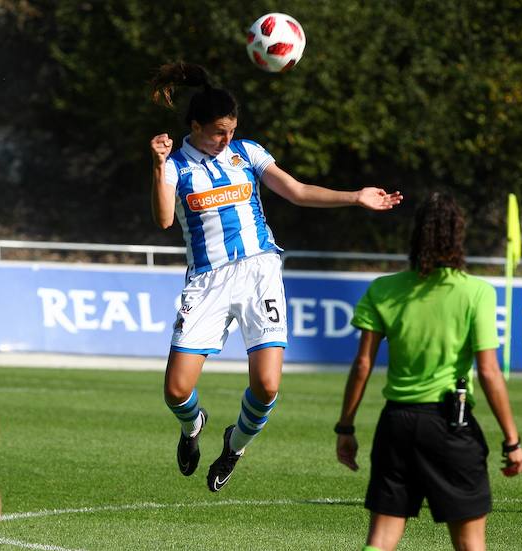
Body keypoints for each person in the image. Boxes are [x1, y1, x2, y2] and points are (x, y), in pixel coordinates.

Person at [149, 62, 403, 492]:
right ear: (195, 125)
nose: (226, 139)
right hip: (207, 280)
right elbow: (163, 219)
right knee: (176, 391)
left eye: (231, 129)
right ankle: (193, 426)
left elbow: (299, 191)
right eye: (217, 131)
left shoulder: (247, 153)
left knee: (266, 385)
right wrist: (157, 166)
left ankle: (235, 444)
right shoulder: (176, 165)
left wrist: (355, 196)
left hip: (259, 273)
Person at [334, 192, 522, 551]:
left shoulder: (383, 289)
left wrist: (345, 427)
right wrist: (512, 441)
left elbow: (362, 364)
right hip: (449, 425)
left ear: (416, 236)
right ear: (458, 235)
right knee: (470, 544)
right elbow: (488, 372)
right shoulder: (477, 293)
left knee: (380, 540)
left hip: (396, 424)